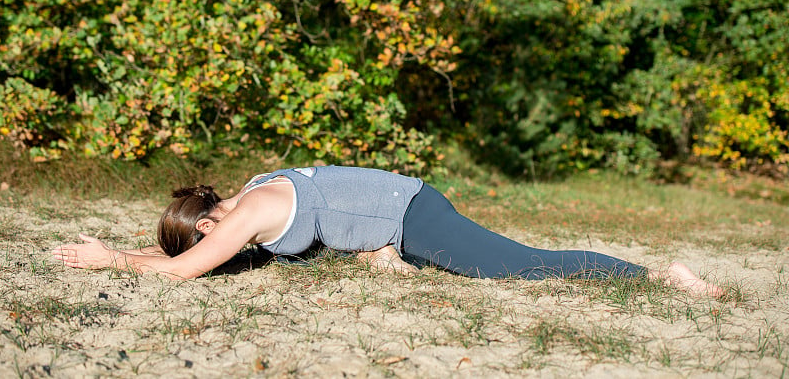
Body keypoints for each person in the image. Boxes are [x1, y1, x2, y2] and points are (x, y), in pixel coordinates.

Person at [52, 165, 724, 297]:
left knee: (521, 266)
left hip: (415, 215)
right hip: (396, 219)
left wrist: (108, 261)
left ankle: (665, 277)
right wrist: (122, 251)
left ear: (209, 222)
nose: (215, 248)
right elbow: (181, 255)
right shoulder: (250, 194)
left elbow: (187, 268)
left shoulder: (251, 214)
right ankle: (379, 254)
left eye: (207, 238)